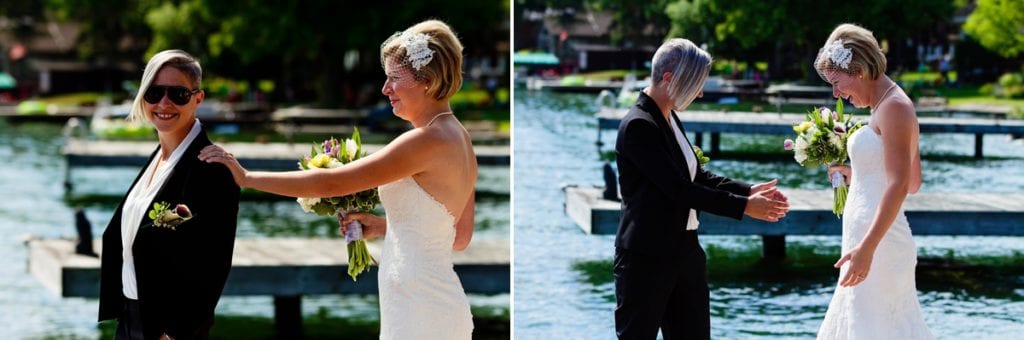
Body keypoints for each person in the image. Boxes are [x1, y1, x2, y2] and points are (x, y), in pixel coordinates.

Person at [199, 20, 475, 339]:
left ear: (426, 80)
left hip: (420, 312)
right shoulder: (461, 139)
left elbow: (331, 184)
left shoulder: (425, 141)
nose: (385, 89)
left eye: (394, 78)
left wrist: (245, 177)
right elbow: (459, 236)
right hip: (431, 304)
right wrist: (388, 226)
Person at [613, 38, 789, 339]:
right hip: (647, 257)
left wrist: (748, 190)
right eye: (695, 84)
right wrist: (743, 207)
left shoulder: (669, 117)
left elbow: (696, 175)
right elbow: (678, 189)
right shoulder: (638, 125)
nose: (701, 92)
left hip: (686, 251)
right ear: (669, 79)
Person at [98, 50, 241, 339]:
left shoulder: (211, 167)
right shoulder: (157, 159)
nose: (164, 103)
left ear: (198, 98)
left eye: (178, 94)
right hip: (129, 320)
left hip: (167, 330)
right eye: (154, 92)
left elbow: (213, 262)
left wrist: (175, 331)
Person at [814, 23, 932, 339]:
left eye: (838, 83)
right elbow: (912, 181)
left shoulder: (894, 107)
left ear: (859, 71)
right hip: (867, 244)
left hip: (878, 247)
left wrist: (866, 248)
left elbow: (900, 185)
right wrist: (858, 174)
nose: (836, 93)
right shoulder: (886, 105)